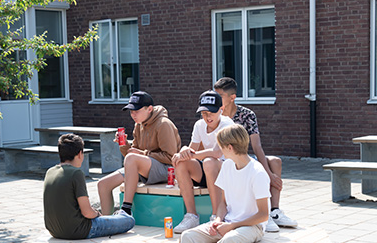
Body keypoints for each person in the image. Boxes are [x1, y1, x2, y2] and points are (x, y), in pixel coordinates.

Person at [213, 77, 297, 232]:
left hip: (243, 156)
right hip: (224, 157)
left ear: (232, 98)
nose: (216, 100)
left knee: (275, 161)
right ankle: (265, 214)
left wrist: (269, 174)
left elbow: (257, 146)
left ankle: (273, 212)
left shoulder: (247, 115)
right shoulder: (214, 113)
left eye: (220, 96)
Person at [98, 91, 181, 215]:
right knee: (103, 184)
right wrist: (124, 144)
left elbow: (171, 157)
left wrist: (143, 154)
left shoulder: (164, 124)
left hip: (167, 170)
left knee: (132, 158)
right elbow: (131, 157)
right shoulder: (139, 125)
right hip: (145, 168)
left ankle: (126, 209)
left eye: (136, 111)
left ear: (150, 109)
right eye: (131, 111)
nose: (133, 114)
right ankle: (107, 221)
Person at [43, 134, 135, 240]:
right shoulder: (76, 173)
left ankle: (115, 216)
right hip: (79, 230)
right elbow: (87, 212)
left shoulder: (50, 172)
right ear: (80, 154)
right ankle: (120, 214)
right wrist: (97, 214)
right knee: (129, 221)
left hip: (54, 231)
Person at [172, 90, 234, 234]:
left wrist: (189, 154)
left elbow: (217, 152)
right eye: (204, 113)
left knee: (209, 161)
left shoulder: (227, 124)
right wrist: (183, 152)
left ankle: (216, 216)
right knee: (182, 163)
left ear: (221, 109)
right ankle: (191, 215)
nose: (207, 117)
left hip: (226, 173)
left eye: (211, 112)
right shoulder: (199, 125)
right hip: (208, 173)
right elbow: (191, 152)